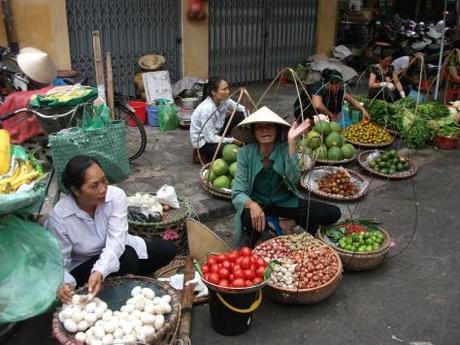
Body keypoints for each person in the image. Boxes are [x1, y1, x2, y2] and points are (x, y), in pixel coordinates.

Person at [46, 155, 177, 303]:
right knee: (128, 258)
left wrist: (100, 271)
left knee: (167, 249)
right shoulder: (60, 217)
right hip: (84, 264)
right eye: (94, 186)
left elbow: (116, 241)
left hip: (115, 251)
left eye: (104, 180)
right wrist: (65, 284)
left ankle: (125, 277)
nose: (103, 189)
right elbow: (59, 261)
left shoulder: (116, 196)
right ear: (76, 190)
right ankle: (125, 287)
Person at [231, 106, 341, 247]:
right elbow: (238, 191)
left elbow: (294, 178)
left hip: (285, 202)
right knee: (247, 220)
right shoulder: (245, 153)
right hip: (259, 203)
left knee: (333, 213)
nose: (265, 130)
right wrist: (252, 204)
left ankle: (287, 223)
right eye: (259, 127)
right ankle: (266, 227)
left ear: (277, 129)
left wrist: (291, 144)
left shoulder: (284, 148)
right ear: (254, 132)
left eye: (269, 126)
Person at [190, 77, 247, 163]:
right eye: (224, 89)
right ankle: (202, 154)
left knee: (239, 115)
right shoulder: (207, 110)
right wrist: (232, 140)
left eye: (228, 88)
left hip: (217, 130)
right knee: (232, 152)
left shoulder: (224, 100)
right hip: (205, 142)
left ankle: (234, 141)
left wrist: (250, 119)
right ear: (214, 92)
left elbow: (242, 109)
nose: (228, 91)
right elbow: (210, 138)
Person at [293, 69, 370, 126]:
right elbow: (317, 105)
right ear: (329, 83)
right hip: (304, 109)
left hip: (320, 113)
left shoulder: (337, 89)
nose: (338, 88)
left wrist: (362, 109)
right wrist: (331, 115)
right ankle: (306, 125)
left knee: (339, 97)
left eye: (339, 85)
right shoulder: (317, 86)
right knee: (313, 119)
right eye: (336, 86)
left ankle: (323, 120)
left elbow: (350, 98)